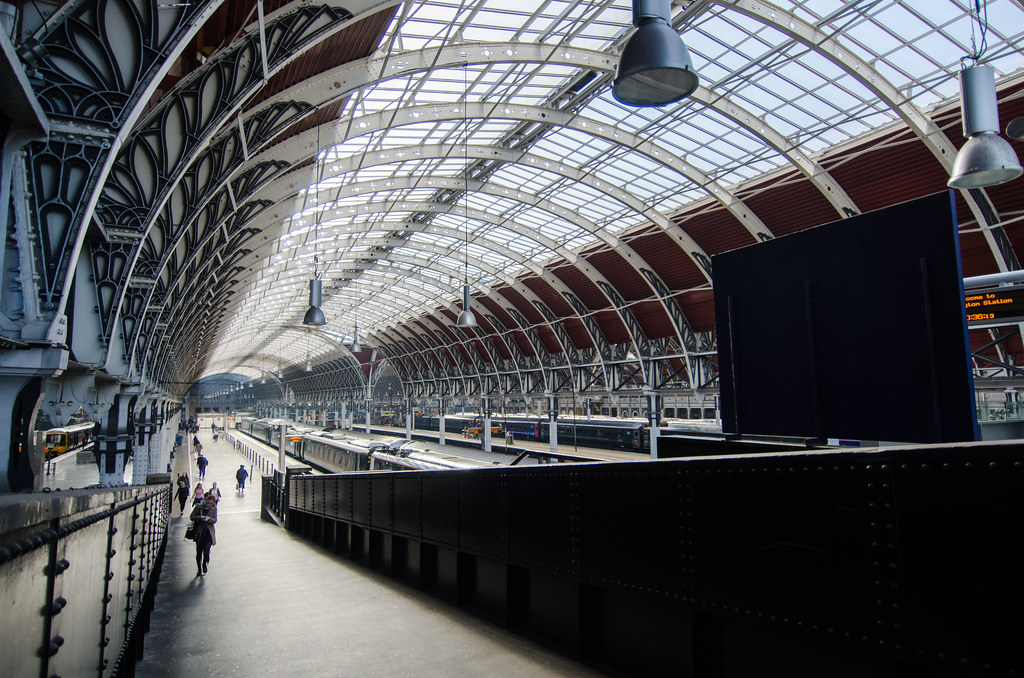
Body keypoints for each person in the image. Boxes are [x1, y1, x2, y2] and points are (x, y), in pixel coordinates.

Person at [189, 493, 218, 576]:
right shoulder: (198, 507)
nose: (209, 505)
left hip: (208, 532)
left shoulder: (214, 509)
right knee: (199, 551)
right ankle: (199, 569)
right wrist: (199, 518)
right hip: (199, 532)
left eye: (211, 503)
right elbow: (191, 517)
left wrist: (208, 519)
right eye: (208, 502)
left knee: (206, 551)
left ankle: (204, 564)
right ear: (205, 501)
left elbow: (215, 520)